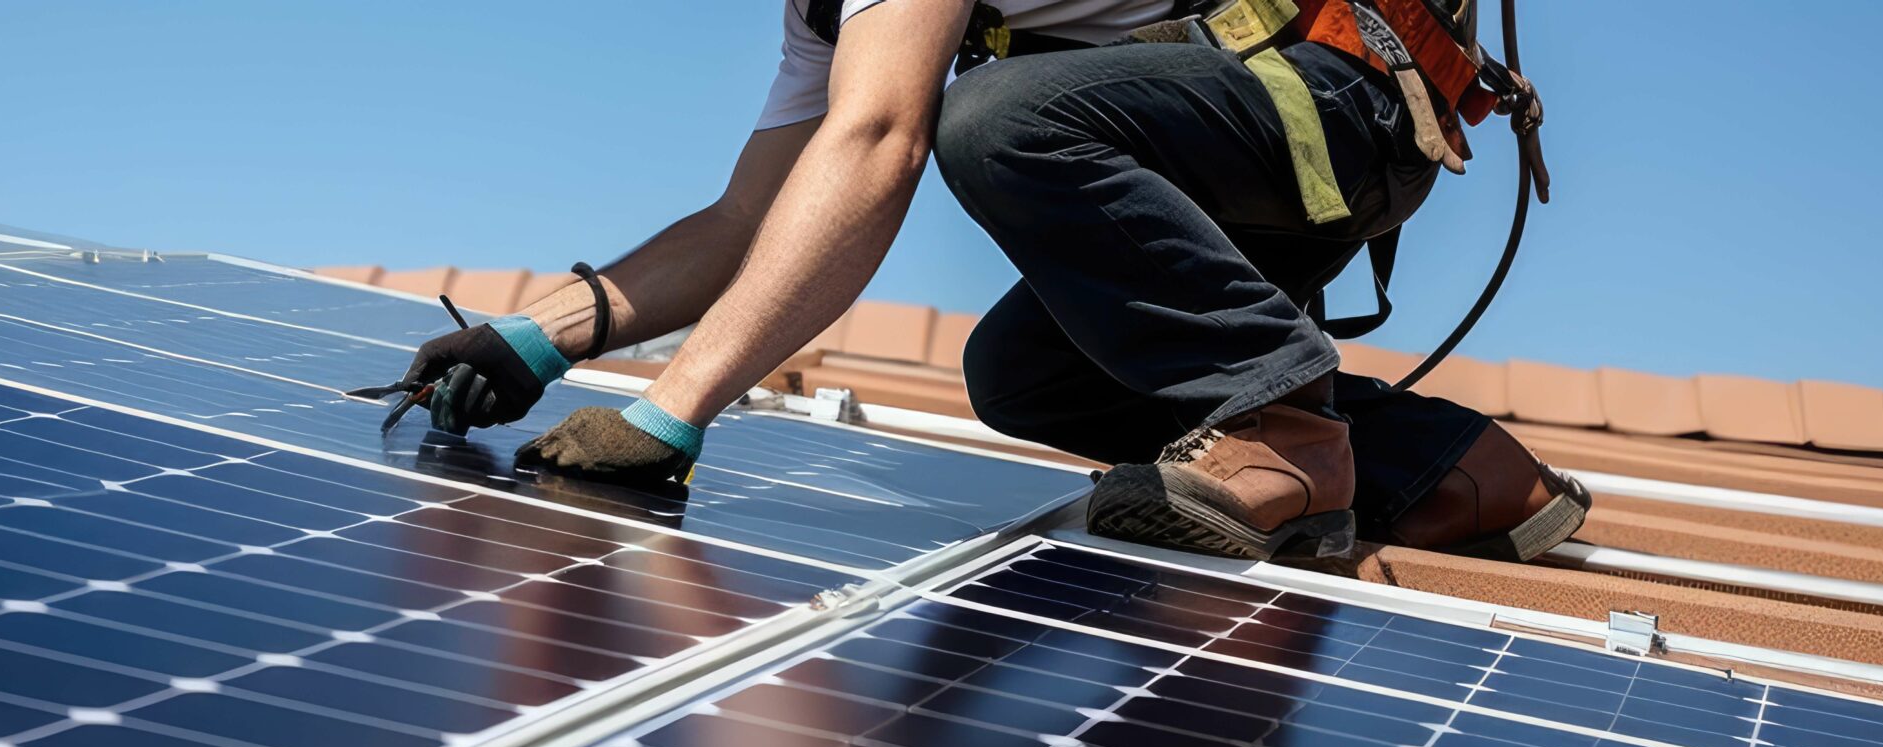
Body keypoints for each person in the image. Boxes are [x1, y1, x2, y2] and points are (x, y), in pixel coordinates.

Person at [388, 0, 1588, 563]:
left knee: (996, 118)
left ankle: (1286, 432)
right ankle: (1453, 469)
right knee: (1024, 373)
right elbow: (749, 218)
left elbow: (877, 148)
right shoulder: (829, 15)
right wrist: (533, 340)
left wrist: (672, 413)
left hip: (1332, 101)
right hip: (1234, 158)